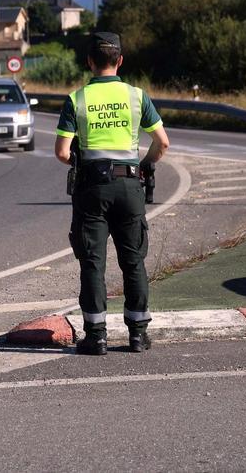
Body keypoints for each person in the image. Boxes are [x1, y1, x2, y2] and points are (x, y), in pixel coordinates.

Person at [55, 32, 170, 355]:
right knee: (133, 261)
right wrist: (144, 165)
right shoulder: (137, 96)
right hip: (130, 186)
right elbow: (162, 142)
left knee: (92, 262)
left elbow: (63, 152)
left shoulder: (77, 99)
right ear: (120, 60)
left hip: (92, 188)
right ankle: (137, 335)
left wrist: (83, 159)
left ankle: (97, 336)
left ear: (90, 61)